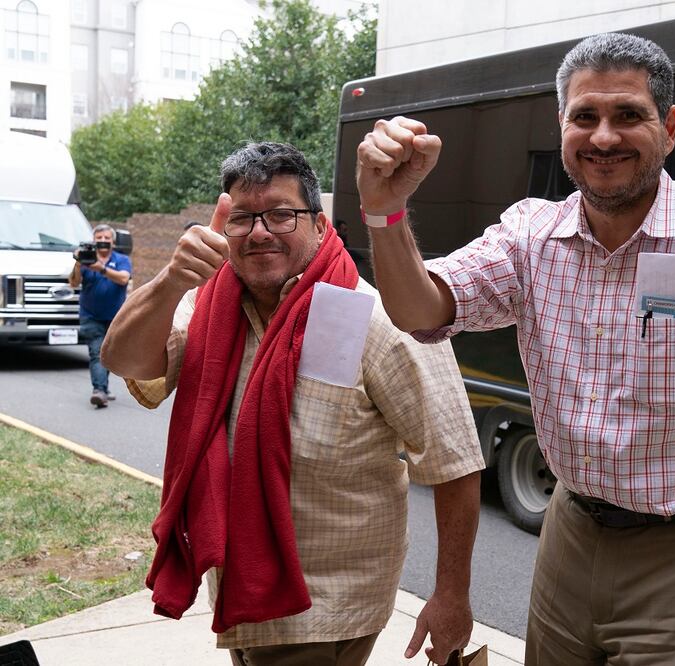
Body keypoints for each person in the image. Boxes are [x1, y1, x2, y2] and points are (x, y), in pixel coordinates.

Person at [356, 32, 675, 666]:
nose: (604, 137)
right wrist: (385, 211)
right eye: (585, 116)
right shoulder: (531, 235)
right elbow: (419, 309)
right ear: (563, 126)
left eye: (628, 115)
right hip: (570, 529)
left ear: (667, 128)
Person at [100, 142, 484, 666]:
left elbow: (454, 460)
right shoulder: (208, 304)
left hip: (327, 603)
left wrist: (451, 596)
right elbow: (124, 359)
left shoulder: (371, 318)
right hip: (240, 590)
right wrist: (171, 280)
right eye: (242, 217)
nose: (260, 231)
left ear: (321, 225)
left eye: (282, 214)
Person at [69, 224, 131, 408]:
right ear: (93, 241)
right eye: (99, 238)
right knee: (96, 353)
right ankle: (99, 391)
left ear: (113, 241)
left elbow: (123, 278)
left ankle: (103, 387)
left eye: (107, 238)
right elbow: (73, 282)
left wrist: (101, 268)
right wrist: (78, 263)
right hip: (90, 315)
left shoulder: (121, 259)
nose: (103, 241)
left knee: (110, 355)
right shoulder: (86, 260)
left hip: (116, 317)